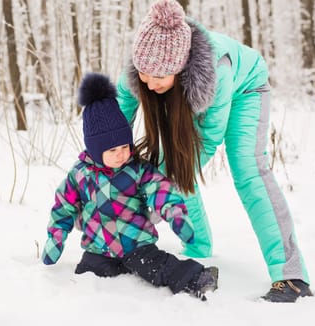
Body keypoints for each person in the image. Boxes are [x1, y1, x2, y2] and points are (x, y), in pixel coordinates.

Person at [116, 0, 312, 303]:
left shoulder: (215, 71)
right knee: (169, 163)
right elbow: (119, 110)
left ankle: (291, 274)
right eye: (144, 74)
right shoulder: (146, 62)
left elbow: (207, 141)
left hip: (246, 87)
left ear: (179, 69)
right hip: (191, 95)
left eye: (158, 77)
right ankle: (198, 247)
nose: (149, 83)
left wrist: (159, 193)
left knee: (247, 169)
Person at [42, 72, 219, 301]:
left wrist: (174, 213)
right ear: (96, 151)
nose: (121, 155)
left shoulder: (138, 169)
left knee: (159, 269)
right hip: (98, 248)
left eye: (125, 147)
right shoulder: (79, 175)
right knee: (85, 277)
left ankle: (199, 276)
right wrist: (55, 239)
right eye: (112, 151)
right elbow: (63, 207)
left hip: (137, 244)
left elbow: (161, 189)